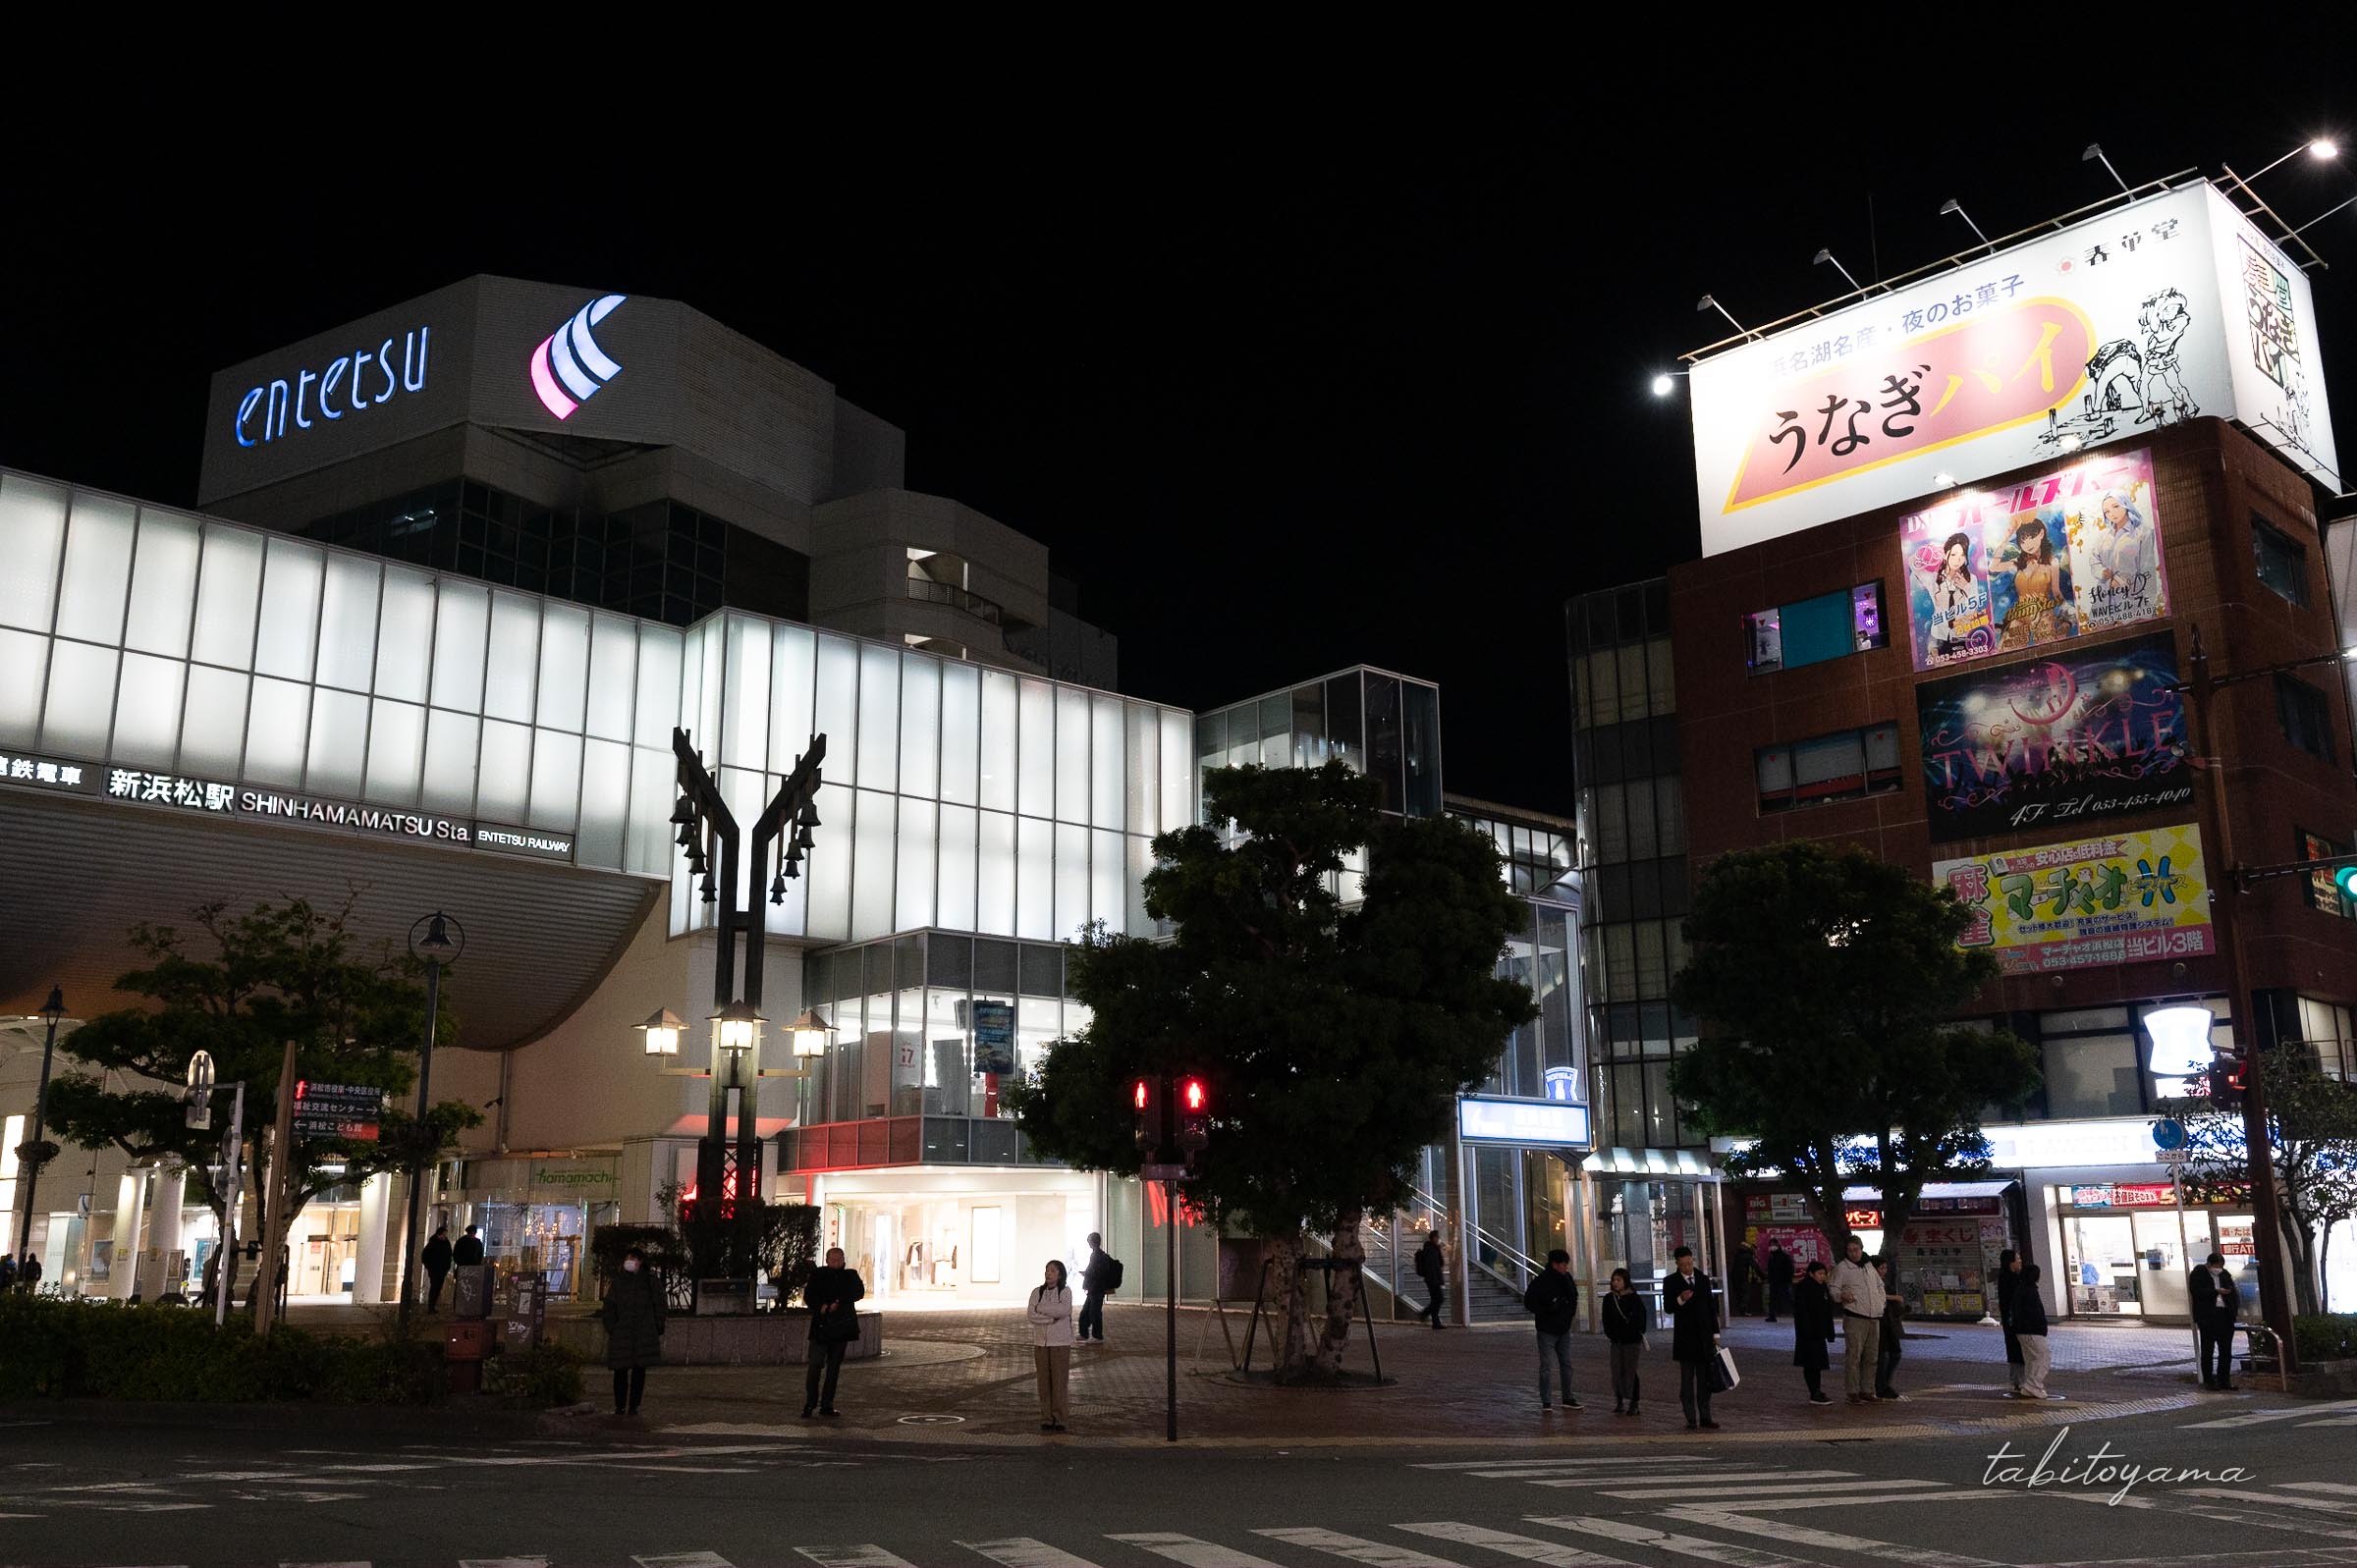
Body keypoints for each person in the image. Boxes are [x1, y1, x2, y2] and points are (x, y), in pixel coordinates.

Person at [598, 1246, 665, 1417]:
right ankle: (620, 1406)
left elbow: (660, 1305)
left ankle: (634, 1406)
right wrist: (613, 1327)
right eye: (628, 1258)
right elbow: (609, 1306)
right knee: (620, 1371)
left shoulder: (650, 1282)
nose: (629, 1262)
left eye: (633, 1259)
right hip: (623, 1333)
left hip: (643, 1332)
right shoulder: (619, 1282)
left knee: (639, 1371)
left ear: (640, 1262)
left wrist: (656, 1326)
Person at [1664, 1245, 1721, 1431]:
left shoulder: (1703, 1280)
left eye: (1689, 1263)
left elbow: (1712, 1308)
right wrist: (1681, 1299)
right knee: (1687, 1381)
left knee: (1705, 1380)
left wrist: (1715, 1333)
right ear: (1677, 1264)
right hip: (1685, 1339)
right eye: (1683, 1265)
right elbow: (1668, 1307)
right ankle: (1690, 1418)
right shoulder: (1671, 1282)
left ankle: (1706, 1416)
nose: (1688, 1267)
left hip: (1704, 1337)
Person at [802, 1246, 864, 1419]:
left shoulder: (850, 1275)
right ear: (827, 1260)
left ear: (844, 1259)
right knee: (815, 1365)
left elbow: (859, 1292)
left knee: (834, 1368)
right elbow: (809, 1296)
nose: (836, 1262)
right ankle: (810, 1402)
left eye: (839, 1259)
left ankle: (827, 1404)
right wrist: (821, 1306)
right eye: (833, 1259)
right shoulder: (818, 1275)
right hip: (821, 1328)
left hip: (841, 1328)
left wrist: (840, 1301)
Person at [1523, 1249, 1582, 1411]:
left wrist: (1567, 1315)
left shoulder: (1565, 1278)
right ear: (1555, 1264)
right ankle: (1547, 1400)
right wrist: (1548, 1309)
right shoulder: (1542, 1281)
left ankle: (1567, 1397)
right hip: (1547, 1329)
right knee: (1547, 1365)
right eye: (1563, 1264)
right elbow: (1529, 1301)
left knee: (1565, 1363)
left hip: (1561, 1328)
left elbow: (1574, 1297)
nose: (1565, 1268)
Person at [1829, 1236, 1884, 1404]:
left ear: (1861, 1248)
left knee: (1872, 1356)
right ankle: (1852, 1391)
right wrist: (1841, 1296)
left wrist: (1881, 1302)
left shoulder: (1869, 1267)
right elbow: (1833, 1289)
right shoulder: (1842, 1268)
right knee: (1854, 1356)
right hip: (1855, 1317)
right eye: (1850, 1250)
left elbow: (1879, 1286)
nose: (1853, 1253)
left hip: (1874, 1317)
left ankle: (1868, 1389)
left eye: (1856, 1249)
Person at [1027, 1259, 1075, 1433]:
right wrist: (1049, 1318)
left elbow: (1063, 1311)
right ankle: (1046, 1417)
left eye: (1053, 1271)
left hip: (1060, 1343)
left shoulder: (1065, 1291)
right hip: (1040, 1343)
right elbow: (1031, 1314)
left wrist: (1042, 1309)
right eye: (1047, 1270)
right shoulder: (1037, 1292)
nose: (1049, 1273)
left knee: (1059, 1381)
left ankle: (1060, 1417)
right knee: (1043, 1382)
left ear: (1060, 1274)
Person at [1600, 1267, 1647, 1416]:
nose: (1615, 1283)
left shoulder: (1633, 1298)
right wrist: (1611, 1334)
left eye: (1618, 1280)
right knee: (1616, 1370)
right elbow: (1606, 1319)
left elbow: (1641, 1319)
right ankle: (1619, 1400)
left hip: (1631, 1341)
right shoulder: (1609, 1299)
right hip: (1616, 1340)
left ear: (1625, 1281)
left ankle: (1634, 1401)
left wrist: (1634, 1331)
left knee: (1630, 1370)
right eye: (1614, 1280)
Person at [2190, 1250, 2239, 1391]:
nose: (2218, 1269)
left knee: (2226, 1350)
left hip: (2225, 1315)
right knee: (2208, 1349)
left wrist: (2233, 1311)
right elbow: (2196, 1291)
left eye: (2221, 1266)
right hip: (2208, 1317)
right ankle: (2209, 1381)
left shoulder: (2225, 1274)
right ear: (2209, 1264)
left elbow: (2232, 1292)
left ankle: (2224, 1380)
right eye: (2216, 1265)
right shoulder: (2199, 1273)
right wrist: (2216, 1291)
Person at [1792, 1259, 1836, 1405]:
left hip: (1819, 1332)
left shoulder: (1822, 1288)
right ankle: (1814, 1391)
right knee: (1811, 1363)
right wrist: (1807, 1329)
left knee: (1817, 1363)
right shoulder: (1804, 1288)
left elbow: (1827, 1311)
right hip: (1809, 1333)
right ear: (1811, 1274)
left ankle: (1817, 1390)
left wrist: (1829, 1332)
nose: (1822, 1276)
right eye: (1820, 1273)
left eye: (1824, 1273)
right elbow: (1801, 1312)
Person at [2011, 1261, 2056, 1400]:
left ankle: (2029, 1386)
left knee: (2031, 1359)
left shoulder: (2020, 1289)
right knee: (2043, 1357)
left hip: (2022, 1330)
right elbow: (2034, 1313)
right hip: (2033, 1330)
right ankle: (2034, 1385)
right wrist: (2041, 1327)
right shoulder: (2030, 1291)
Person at [1874, 1258, 1905, 1401]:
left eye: (1885, 1268)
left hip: (1889, 1323)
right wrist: (1895, 1298)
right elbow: (1878, 1297)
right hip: (1879, 1322)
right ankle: (1880, 1386)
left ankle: (1884, 1384)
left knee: (1895, 1353)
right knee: (1883, 1357)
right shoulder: (1872, 1282)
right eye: (1881, 1268)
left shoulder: (1886, 1282)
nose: (1883, 1271)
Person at [1997, 1249, 2026, 1397]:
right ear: (2010, 1262)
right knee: (2019, 1350)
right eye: (2017, 1258)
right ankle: (2020, 1381)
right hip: (2015, 1321)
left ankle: (2016, 1380)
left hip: (2010, 1321)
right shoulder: (2012, 1280)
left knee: (2014, 1350)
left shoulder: (2004, 1277)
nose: (2020, 1260)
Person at [1077, 1232, 1115, 1344]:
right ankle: (1084, 1334)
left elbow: (1098, 1272)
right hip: (1094, 1289)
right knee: (1086, 1312)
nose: (1088, 1243)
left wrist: (1087, 1275)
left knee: (1094, 1312)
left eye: (1089, 1241)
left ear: (1093, 1242)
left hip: (1096, 1289)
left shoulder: (1098, 1256)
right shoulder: (1096, 1254)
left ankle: (1097, 1336)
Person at [1414, 1231, 1447, 1329]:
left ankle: (1435, 1321)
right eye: (1436, 1237)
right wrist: (1436, 1279)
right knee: (1438, 1299)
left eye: (1438, 1237)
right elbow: (1434, 1266)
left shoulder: (1434, 1249)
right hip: (1432, 1279)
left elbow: (1440, 1263)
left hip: (1433, 1279)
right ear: (1432, 1238)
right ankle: (1425, 1314)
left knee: (1436, 1300)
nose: (1438, 1239)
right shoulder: (1430, 1250)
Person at [420, 1225, 453, 1314]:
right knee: (434, 1287)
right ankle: (431, 1306)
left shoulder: (446, 1243)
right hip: (435, 1270)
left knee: (438, 1288)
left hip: (442, 1270)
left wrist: (447, 1267)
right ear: (440, 1234)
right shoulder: (433, 1244)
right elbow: (425, 1257)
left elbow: (449, 1255)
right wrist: (430, 1267)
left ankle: (433, 1306)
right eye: (444, 1234)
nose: (445, 1236)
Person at [1764, 1242, 1793, 1324]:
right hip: (1774, 1282)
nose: (1772, 1247)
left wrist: (1787, 1279)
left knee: (1788, 1298)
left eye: (1773, 1245)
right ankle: (1771, 1316)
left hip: (1783, 1281)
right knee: (1772, 1299)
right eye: (1771, 1245)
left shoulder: (1784, 1256)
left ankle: (1799, 1314)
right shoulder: (1772, 1256)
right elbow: (1770, 1270)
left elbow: (1790, 1269)